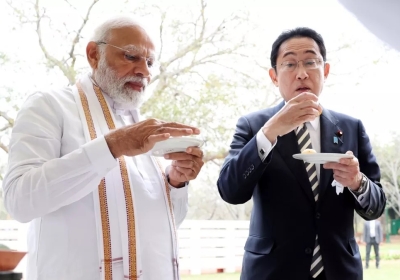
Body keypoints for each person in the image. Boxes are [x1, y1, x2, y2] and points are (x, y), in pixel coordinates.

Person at [2, 16, 204, 280]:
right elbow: (19, 201)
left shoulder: (141, 127)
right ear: (93, 54)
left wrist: (176, 182)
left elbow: (160, 227)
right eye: (132, 57)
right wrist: (113, 145)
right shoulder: (49, 106)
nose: (145, 71)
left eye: (150, 62)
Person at [217, 27, 386, 280]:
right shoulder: (253, 126)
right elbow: (230, 190)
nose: (302, 74)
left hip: (339, 271)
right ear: (274, 76)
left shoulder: (351, 128)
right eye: (290, 64)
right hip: (272, 271)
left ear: (325, 71)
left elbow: (377, 207)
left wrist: (357, 182)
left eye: (310, 62)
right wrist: (270, 132)